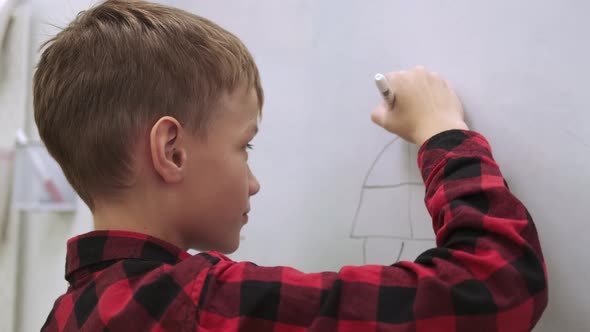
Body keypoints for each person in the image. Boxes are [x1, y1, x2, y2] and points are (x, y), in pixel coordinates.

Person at [37, 1, 547, 331]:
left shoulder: (65, 316)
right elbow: (494, 289)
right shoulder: (196, 307)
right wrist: (443, 133)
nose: (254, 183)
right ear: (172, 151)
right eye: (245, 147)